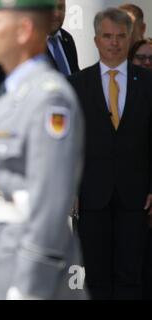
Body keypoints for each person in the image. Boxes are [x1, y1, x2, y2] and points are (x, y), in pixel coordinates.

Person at [0, 0, 86, 300]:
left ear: (23, 30)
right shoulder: (10, 95)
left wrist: (29, 287)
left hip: (31, 281)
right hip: (0, 267)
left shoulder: (49, 99)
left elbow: (50, 206)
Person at [69, 8, 152, 300]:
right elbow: (69, 144)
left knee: (131, 274)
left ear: (130, 38)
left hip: (137, 196)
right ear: (95, 40)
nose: (114, 43)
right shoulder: (77, 84)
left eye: (120, 36)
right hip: (91, 195)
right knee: (95, 276)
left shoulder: (148, 82)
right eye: (107, 36)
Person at [129, 38, 152, 300]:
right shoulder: (121, 96)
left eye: (151, 58)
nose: (146, 63)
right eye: (141, 58)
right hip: (131, 196)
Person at [46, 0, 80, 75]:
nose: (56, 14)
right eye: (51, 7)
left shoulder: (67, 38)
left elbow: (76, 76)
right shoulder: (31, 43)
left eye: (60, 7)